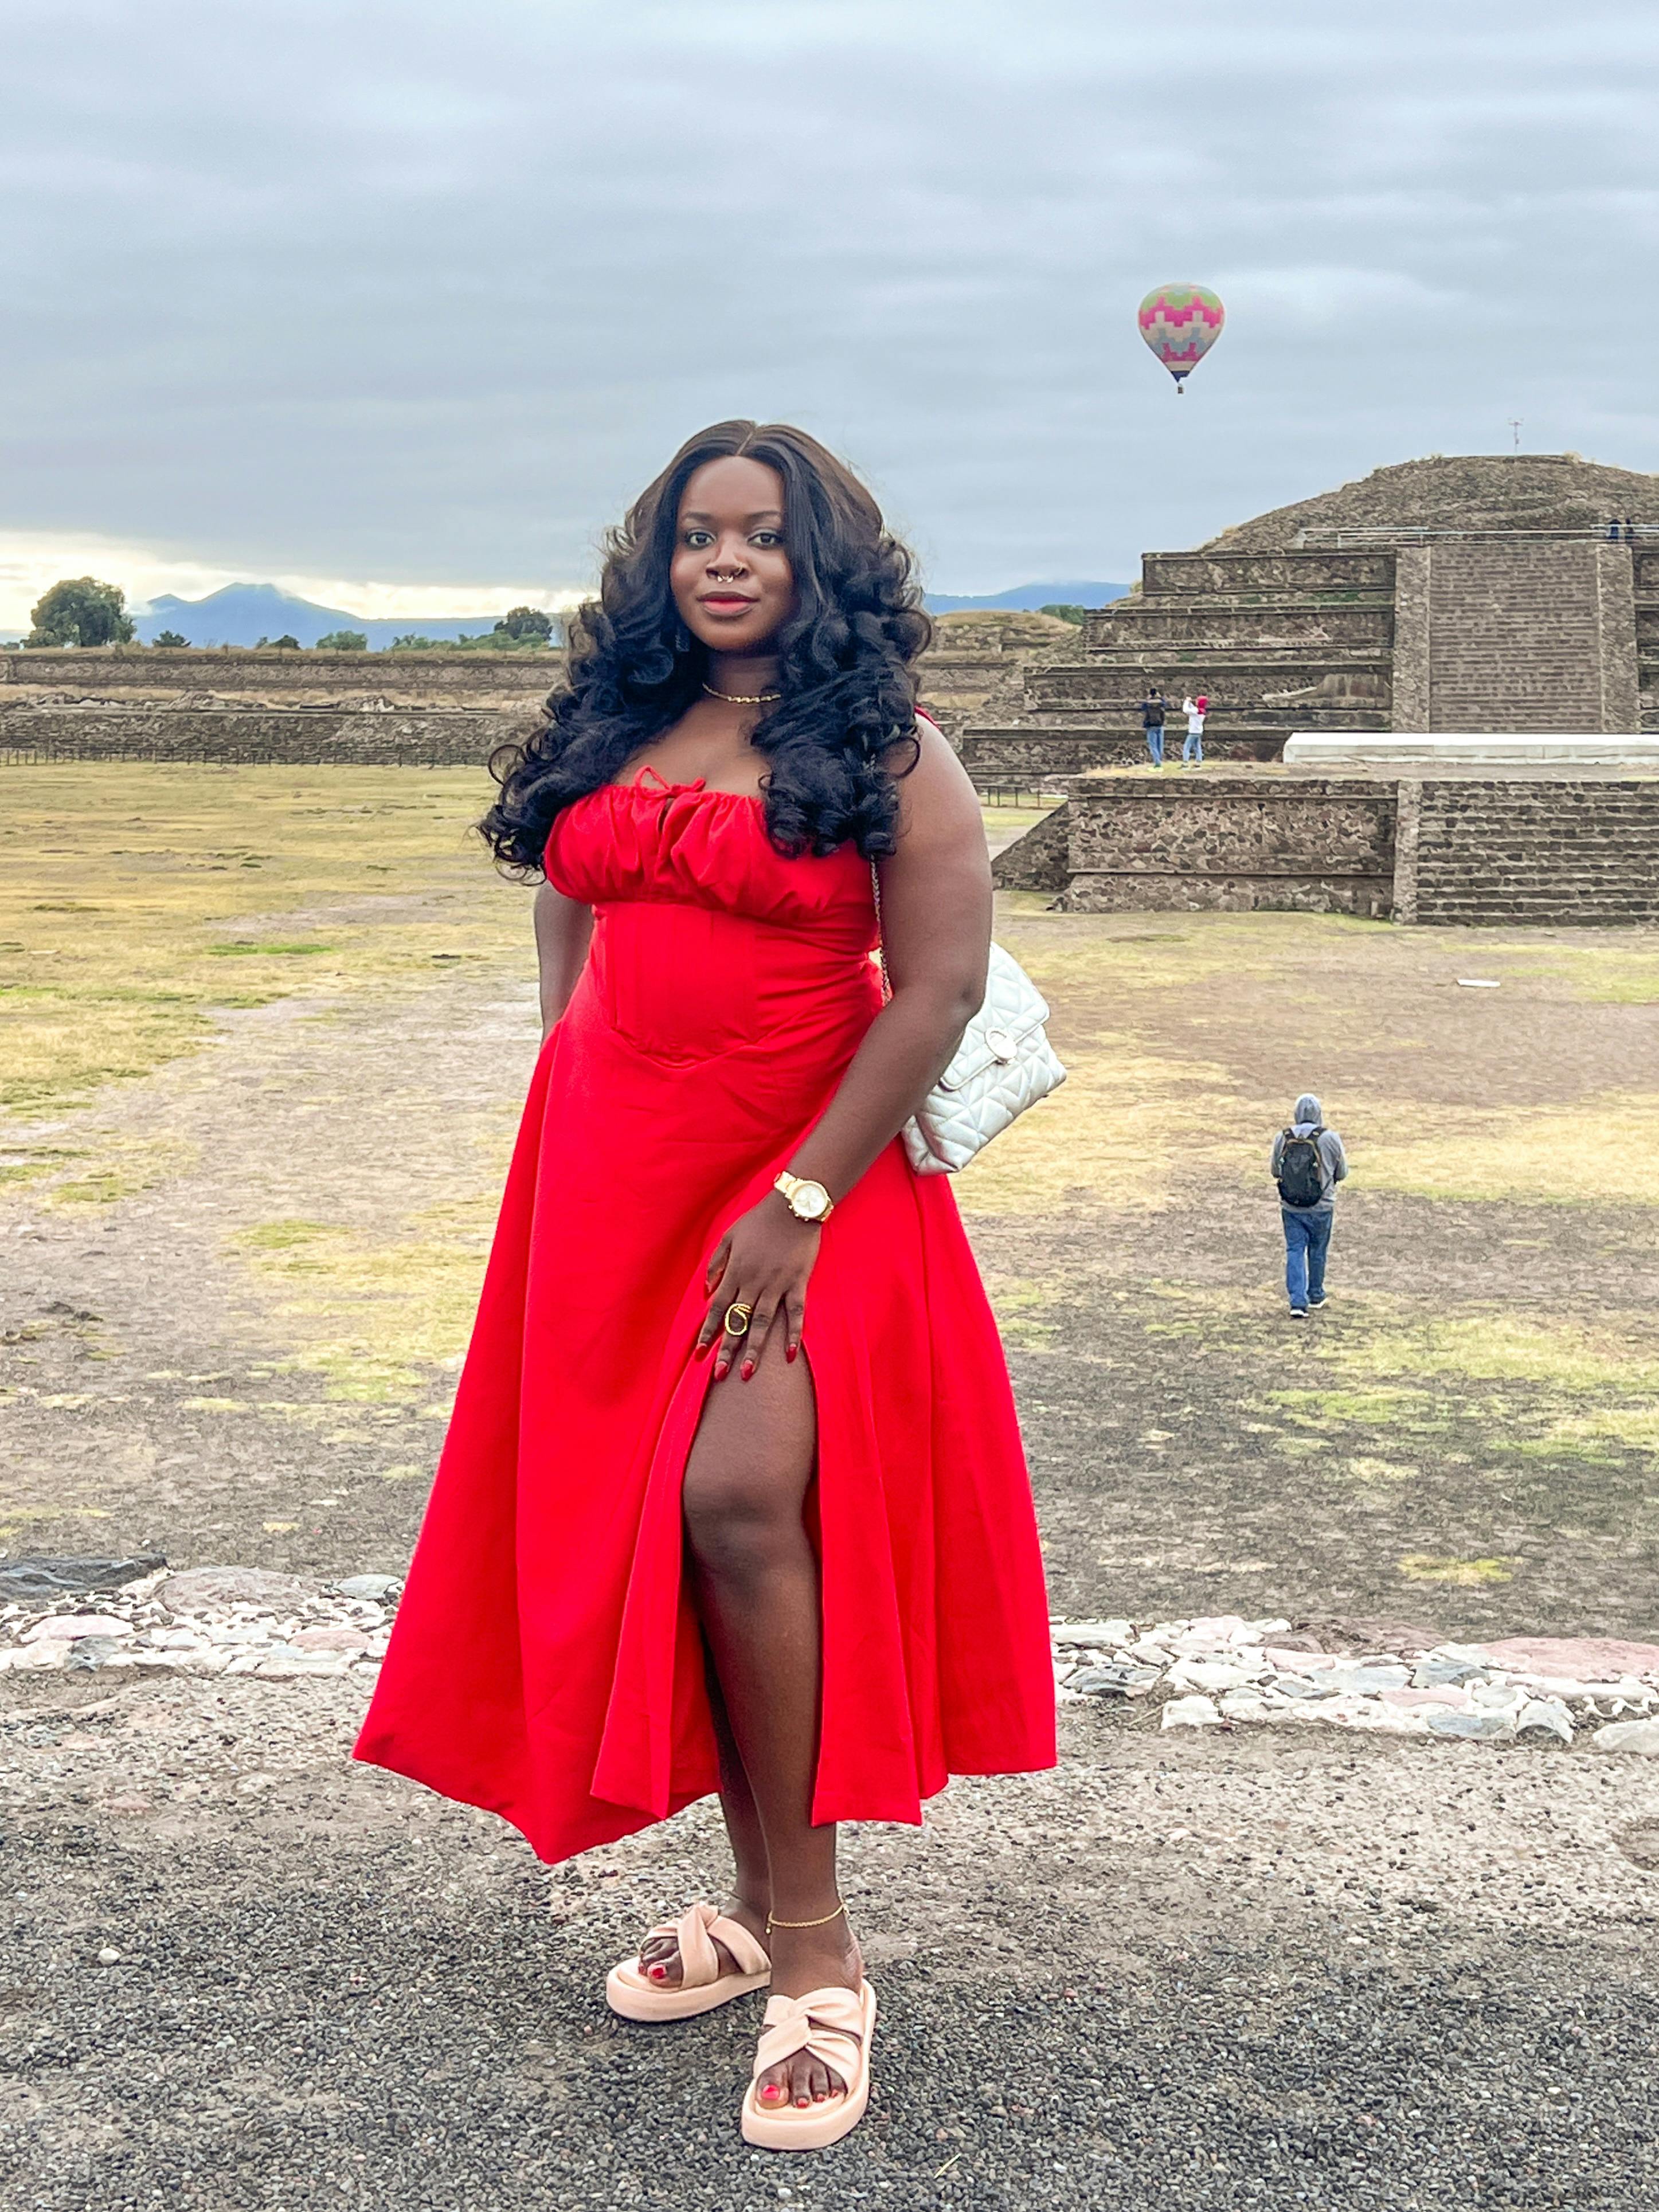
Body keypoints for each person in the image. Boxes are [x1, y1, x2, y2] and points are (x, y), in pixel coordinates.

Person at [354, 420, 1056, 2152]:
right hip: (609, 1176)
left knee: (742, 1500)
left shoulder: (890, 749)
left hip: (800, 1178)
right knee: (662, 1523)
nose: (725, 561)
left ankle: (819, 1951)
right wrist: (567, 1078)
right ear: (657, 559)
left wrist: (802, 1191)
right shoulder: (613, 727)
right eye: (695, 535)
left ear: (823, 563)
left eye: (760, 535)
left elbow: (938, 989)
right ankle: (751, 1902)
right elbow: (566, 908)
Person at [1271, 1092, 1348, 1318]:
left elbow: (1275, 1170)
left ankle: (1297, 1301)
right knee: (1318, 1249)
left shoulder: (1282, 1137)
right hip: (1322, 1206)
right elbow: (1342, 1172)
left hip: (1291, 1207)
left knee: (1295, 1249)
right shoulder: (1330, 1138)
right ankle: (1316, 1294)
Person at [1140, 685, 1167, 766]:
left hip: (1151, 726)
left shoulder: (1148, 704)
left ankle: (1157, 763)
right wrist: (1161, 697)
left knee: (1153, 746)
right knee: (1160, 745)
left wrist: (1147, 699)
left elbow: (1142, 708)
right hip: (1159, 725)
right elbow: (1165, 704)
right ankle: (1160, 760)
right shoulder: (1161, 703)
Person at [1181, 692, 1207, 766]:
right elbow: (1192, 709)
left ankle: (1185, 762)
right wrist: (1190, 703)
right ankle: (1199, 761)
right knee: (1197, 746)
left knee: (1187, 746)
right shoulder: (1202, 711)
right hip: (1199, 731)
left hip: (1193, 732)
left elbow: (1186, 710)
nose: (1196, 701)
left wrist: (1186, 701)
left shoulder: (1196, 711)